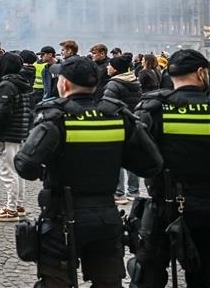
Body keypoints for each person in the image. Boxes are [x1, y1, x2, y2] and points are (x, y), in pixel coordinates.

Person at [14, 55, 163, 288]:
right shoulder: (117, 116)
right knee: (107, 284)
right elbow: (151, 164)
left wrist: (46, 171)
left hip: (62, 215)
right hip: (106, 216)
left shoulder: (57, 117)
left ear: (63, 84)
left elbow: (24, 164)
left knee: (56, 283)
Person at [128, 49, 210, 287]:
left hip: (165, 203)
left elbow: (134, 157)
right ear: (200, 72)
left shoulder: (153, 108)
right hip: (206, 204)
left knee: (147, 273)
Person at [0, 51, 32, 222]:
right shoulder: (20, 82)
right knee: (16, 170)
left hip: (8, 133)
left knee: (7, 171)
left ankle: (11, 209)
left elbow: (4, 111)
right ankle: (19, 205)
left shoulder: (7, 85)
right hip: (18, 131)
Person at [103, 55, 142, 204]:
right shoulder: (134, 81)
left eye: (110, 65)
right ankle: (134, 191)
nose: (107, 67)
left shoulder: (114, 84)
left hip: (118, 124)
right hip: (132, 123)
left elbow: (108, 106)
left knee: (117, 159)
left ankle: (119, 193)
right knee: (132, 158)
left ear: (115, 69)